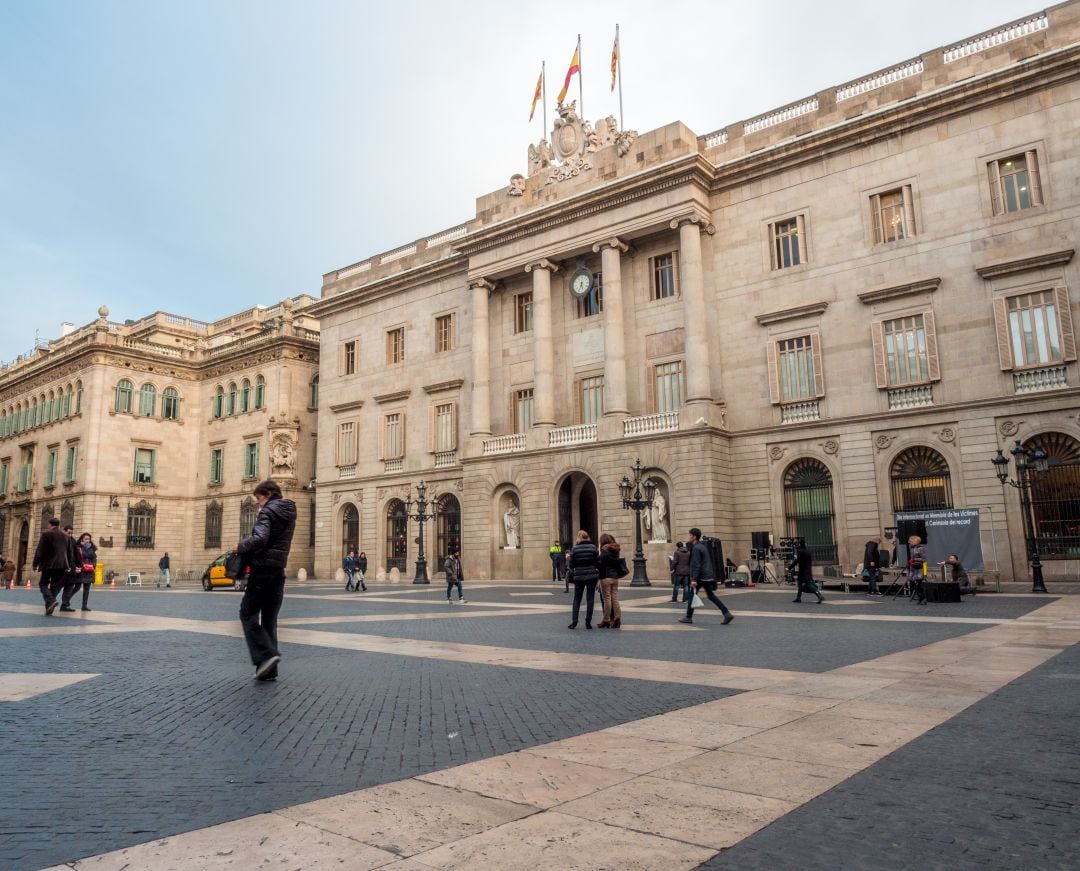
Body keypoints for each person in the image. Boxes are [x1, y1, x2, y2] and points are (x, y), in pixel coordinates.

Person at [235, 479, 297, 681]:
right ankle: (268, 670)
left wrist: (240, 546)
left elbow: (260, 538)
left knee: (247, 613)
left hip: (262, 570)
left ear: (268, 494)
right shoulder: (289, 513)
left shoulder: (267, 513)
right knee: (269, 620)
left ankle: (267, 655)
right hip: (278, 571)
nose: (257, 503)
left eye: (258, 498)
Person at [679, 528, 734, 625]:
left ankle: (688, 617)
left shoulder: (696, 548)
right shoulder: (702, 546)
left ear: (694, 537)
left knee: (691, 595)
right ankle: (726, 613)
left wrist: (693, 579)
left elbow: (696, 564)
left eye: (690, 535)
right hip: (707, 575)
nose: (689, 537)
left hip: (700, 576)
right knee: (711, 596)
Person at [33, 518, 70, 616]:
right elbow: (69, 551)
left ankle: (51, 600)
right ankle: (49, 607)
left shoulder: (46, 534)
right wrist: (68, 565)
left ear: (50, 524)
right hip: (62, 565)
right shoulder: (66, 536)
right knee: (55, 586)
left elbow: (39, 551)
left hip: (49, 564)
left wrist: (35, 564)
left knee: (43, 584)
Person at [567, 530, 600, 629]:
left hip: (579, 576)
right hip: (592, 576)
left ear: (579, 537)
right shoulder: (593, 548)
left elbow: (571, 564)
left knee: (577, 599)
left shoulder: (575, 549)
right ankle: (588, 622)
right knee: (590, 599)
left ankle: (574, 622)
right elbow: (598, 562)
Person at [66, 532, 98, 612]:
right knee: (77, 587)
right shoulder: (78, 547)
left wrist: (93, 565)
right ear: (82, 539)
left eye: (89, 539)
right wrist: (76, 567)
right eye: (86, 539)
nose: (88, 540)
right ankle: (65, 601)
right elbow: (76, 558)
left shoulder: (92, 548)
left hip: (89, 570)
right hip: (81, 570)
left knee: (87, 589)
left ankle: (84, 606)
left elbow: (94, 558)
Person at [597, 533, 624, 628]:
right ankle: (617, 618)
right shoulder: (616, 550)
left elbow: (600, 563)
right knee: (615, 598)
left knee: (607, 599)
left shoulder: (604, 550)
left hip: (606, 577)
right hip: (615, 577)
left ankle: (606, 620)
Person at [790, 539, 824, 604]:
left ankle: (819, 595)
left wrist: (789, 567)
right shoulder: (806, 551)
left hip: (804, 571)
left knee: (809, 584)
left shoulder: (801, 551)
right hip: (806, 570)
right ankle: (798, 598)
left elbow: (797, 560)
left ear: (799, 544)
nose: (795, 545)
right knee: (799, 584)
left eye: (796, 544)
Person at [58, 525, 80, 611]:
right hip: (61, 568)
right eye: (68, 533)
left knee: (69, 586)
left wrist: (78, 565)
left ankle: (65, 605)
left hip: (71, 568)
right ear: (64, 531)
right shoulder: (59, 540)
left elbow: (76, 554)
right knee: (57, 586)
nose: (70, 535)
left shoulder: (73, 541)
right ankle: (50, 602)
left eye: (71, 533)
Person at [908, 535, 928, 605]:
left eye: (911, 540)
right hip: (913, 568)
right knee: (914, 584)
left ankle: (923, 599)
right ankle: (921, 598)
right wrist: (912, 561)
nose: (909, 542)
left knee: (919, 584)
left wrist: (913, 559)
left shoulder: (920, 548)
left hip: (919, 568)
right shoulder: (912, 548)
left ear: (915, 541)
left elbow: (924, 559)